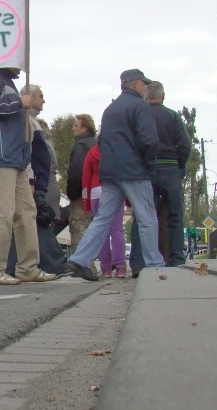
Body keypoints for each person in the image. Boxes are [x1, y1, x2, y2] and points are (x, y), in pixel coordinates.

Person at [66, 69, 165, 281]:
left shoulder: (109, 110)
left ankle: (80, 258)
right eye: (143, 84)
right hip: (135, 171)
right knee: (147, 216)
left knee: (102, 218)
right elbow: (149, 140)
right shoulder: (140, 106)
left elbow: (102, 142)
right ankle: (154, 264)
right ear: (135, 84)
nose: (145, 88)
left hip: (110, 173)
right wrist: (148, 164)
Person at [0, 67, 53, 284]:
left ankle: (28, 267)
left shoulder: (8, 82)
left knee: (26, 213)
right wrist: (19, 102)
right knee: (2, 213)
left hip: (17, 159)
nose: (20, 65)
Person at [129, 80, 192, 272]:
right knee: (175, 215)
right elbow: (185, 145)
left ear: (146, 96)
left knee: (142, 216)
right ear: (163, 96)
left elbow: (134, 143)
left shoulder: (140, 115)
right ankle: (177, 259)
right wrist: (179, 165)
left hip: (146, 170)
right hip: (171, 168)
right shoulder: (173, 116)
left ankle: (139, 264)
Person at [5, 85, 63, 278]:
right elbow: (31, 155)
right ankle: (52, 264)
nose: (43, 100)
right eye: (40, 96)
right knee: (32, 221)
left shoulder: (31, 122)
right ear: (27, 97)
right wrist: (34, 182)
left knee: (29, 222)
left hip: (34, 179)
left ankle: (15, 266)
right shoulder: (25, 122)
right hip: (31, 180)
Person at [81, 143, 127, 278]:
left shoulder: (92, 151)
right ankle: (121, 267)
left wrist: (86, 201)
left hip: (96, 191)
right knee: (117, 229)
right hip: (116, 190)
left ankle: (106, 269)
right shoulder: (118, 148)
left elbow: (85, 176)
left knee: (102, 231)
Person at [67, 114, 98, 253]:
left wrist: (72, 193)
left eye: (76, 125)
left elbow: (77, 171)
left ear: (85, 128)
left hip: (81, 194)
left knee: (79, 227)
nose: (73, 129)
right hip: (96, 191)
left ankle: (81, 264)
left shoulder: (80, 146)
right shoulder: (97, 144)